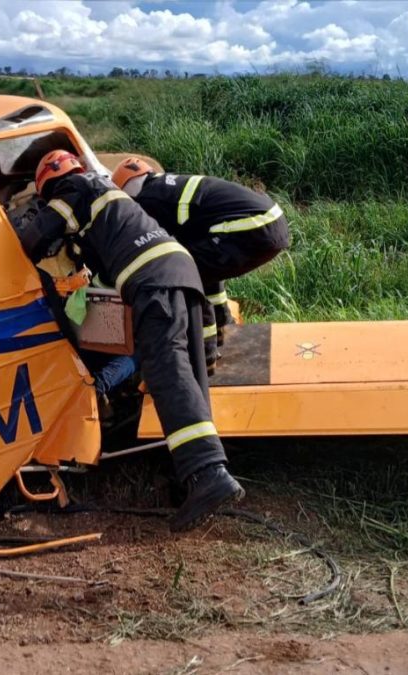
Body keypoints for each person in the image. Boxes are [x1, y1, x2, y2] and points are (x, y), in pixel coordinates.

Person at [13, 149, 245, 531]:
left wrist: (21, 221)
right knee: (188, 373)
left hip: (154, 279)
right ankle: (198, 477)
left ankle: (208, 474)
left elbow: (33, 239)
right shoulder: (103, 192)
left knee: (166, 369)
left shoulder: (73, 188)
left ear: (49, 184)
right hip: (181, 269)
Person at [111, 158, 290, 369]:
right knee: (205, 267)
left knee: (188, 274)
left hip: (251, 227)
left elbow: (156, 247)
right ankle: (222, 323)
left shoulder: (147, 201)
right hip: (272, 222)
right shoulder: (166, 186)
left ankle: (205, 355)